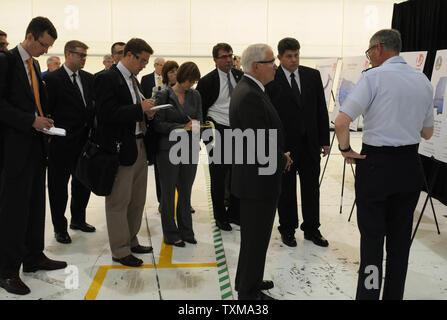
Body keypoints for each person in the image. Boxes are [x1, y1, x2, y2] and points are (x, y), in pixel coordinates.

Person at [335, 29, 434, 300]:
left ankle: (368, 296)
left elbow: (342, 122)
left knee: (372, 241)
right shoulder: (423, 81)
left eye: (369, 53)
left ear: (378, 49)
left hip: (376, 166)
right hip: (409, 167)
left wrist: (346, 150)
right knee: (401, 242)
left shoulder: (372, 78)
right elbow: (427, 133)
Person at [0, 16, 67, 296]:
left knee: (36, 204)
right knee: (14, 211)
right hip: (15, 149)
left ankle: (33, 256)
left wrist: (42, 120)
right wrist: (30, 120)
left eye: (49, 46)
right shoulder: (6, 61)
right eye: (43, 44)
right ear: (30, 36)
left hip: (36, 146)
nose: (46, 50)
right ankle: (6, 271)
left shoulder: (35, 64)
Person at [230, 43, 292, 300]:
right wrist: (281, 158)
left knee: (254, 238)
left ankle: (248, 281)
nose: (275, 68)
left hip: (255, 178)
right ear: (256, 67)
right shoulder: (250, 95)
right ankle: (249, 293)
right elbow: (257, 143)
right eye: (271, 63)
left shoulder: (251, 89)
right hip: (258, 181)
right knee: (256, 239)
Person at [95, 38, 156, 267]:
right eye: (143, 61)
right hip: (120, 148)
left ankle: (131, 239)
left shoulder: (134, 80)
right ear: (129, 55)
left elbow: (132, 110)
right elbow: (106, 113)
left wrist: (147, 113)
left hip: (139, 144)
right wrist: (138, 109)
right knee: (119, 200)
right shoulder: (107, 78)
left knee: (137, 199)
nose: (144, 66)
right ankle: (120, 250)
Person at [265, 37, 330, 248]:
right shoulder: (272, 79)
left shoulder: (312, 75)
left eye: (297, 55)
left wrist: (324, 140)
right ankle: (288, 229)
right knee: (286, 190)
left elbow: (321, 109)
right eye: (289, 56)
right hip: (286, 148)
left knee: (311, 188)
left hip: (310, 145)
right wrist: (275, 147)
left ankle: (312, 229)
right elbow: (269, 115)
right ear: (280, 57)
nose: (294, 60)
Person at [44, 40, 96, 244]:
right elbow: (48, 109)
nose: (84, 59)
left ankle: (78, 219)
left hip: (84, 143)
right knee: (58, 187)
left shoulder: (88, 79)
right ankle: (59, 227)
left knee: (83, 183)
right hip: (61, 143)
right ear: (68, 54)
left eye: (85, 55)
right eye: (80, 55)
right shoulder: (52, 79)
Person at [153, 62, 202, 247]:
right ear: (181, 77)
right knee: (168, 194)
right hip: (168, 150)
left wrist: (196, 128)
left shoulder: (195, 95)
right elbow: (158, 124)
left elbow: (199, 120)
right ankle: (171, 234)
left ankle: (187, 231)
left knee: (185, 192)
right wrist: (182, 127)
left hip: (190, 149)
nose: (191, 84)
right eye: (189, 80)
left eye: (194, 81)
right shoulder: (163, 95)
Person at [196, 43, 243, 231]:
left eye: (230, 56)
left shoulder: (241, 77)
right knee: (218, 176)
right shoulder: (207, 81)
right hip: (217, 130)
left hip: (238, 131)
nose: (228, 60)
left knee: (237, 175)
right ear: (215, 60)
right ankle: (220, 216)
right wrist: (207, 139)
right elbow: (201, 110)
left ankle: (234, 213)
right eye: (224, 57)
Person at [147, 60, 179, 214]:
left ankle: (183, 200)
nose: (174, 74)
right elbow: (154, 113)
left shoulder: (186, 90)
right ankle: (163, 202)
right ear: (165, 75)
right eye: (171, 72)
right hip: (163, 136)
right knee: (162, 175)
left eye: (176, 71)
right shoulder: (158, 89)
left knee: (181, 174)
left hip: (182, 138)